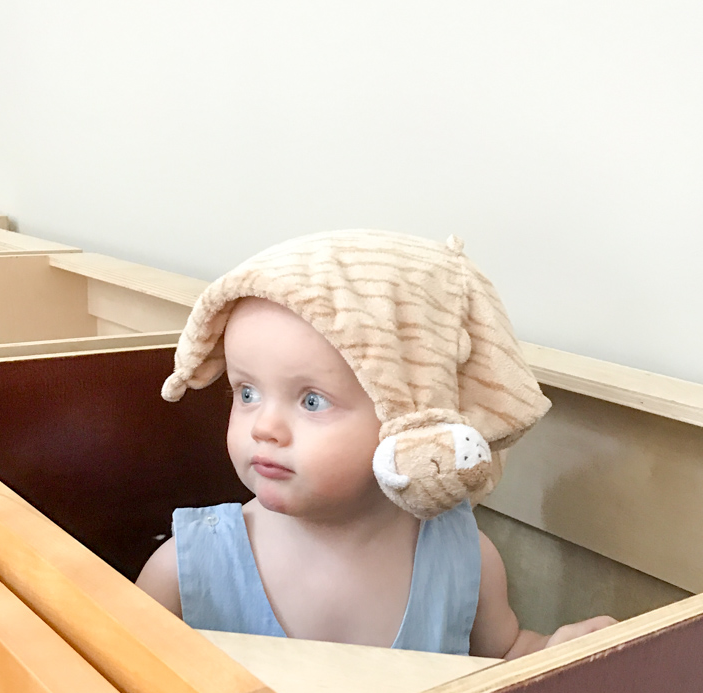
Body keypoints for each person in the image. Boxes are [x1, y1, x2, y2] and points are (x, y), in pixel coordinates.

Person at [137, 230, 615, 659]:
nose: (264, 428)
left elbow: (502, 655)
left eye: (311, 400)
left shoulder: (463, 558)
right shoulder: (186, 568)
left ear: (411, 412)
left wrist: (551, 650)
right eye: (246, 393)